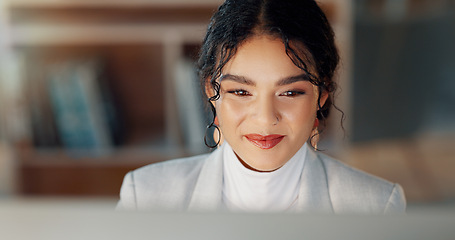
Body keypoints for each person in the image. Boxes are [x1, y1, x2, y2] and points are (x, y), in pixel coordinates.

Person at [116, 0, 406, 214]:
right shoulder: (146, 196)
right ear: (210, 92)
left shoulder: (377, 206)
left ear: (322, 94)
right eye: (241, 91)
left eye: (290, 92)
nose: (266, 119)